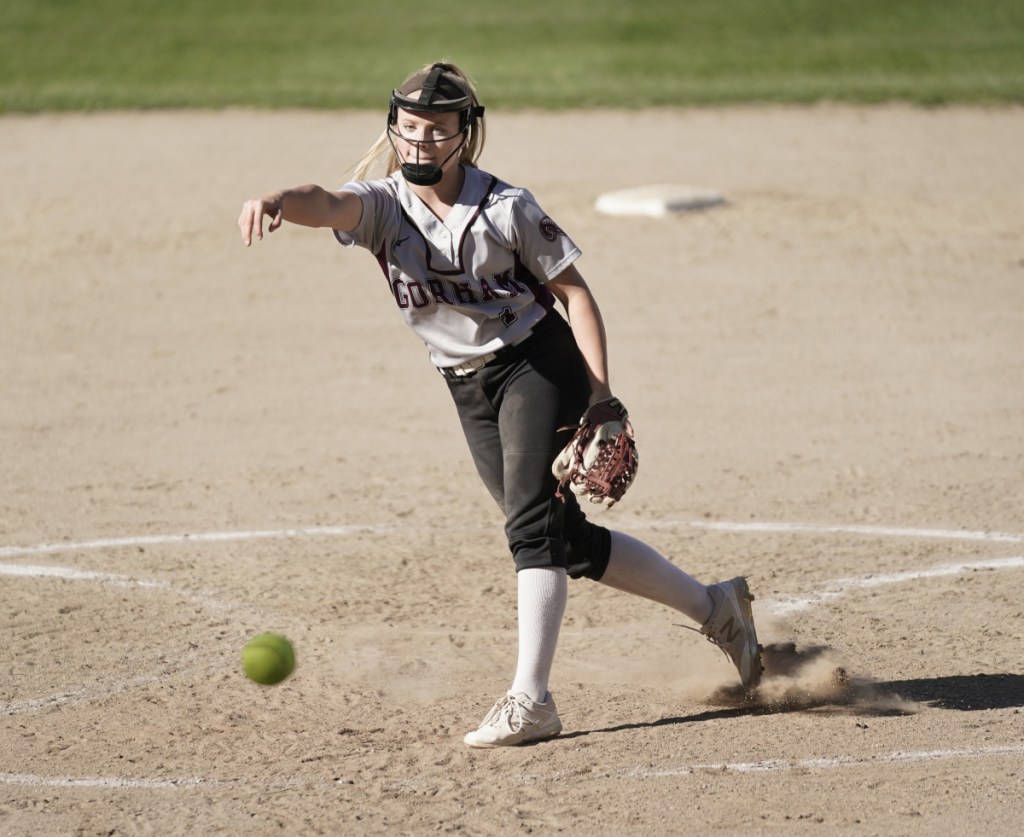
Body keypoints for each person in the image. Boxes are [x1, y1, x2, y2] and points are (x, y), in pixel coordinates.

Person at [238, 62, 763, 748]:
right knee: (563, 540)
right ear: (392, 125)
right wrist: (279, 197)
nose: (420, 142)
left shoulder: (505, 207)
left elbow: (574, 295)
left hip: (538, 364)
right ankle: (717, 607)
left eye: (437, 130)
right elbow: (328, 203)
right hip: (465, 384)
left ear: (465, 135)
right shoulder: (386, 206)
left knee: (529, 527)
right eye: (410, 127)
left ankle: (531, 700)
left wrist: (601, 394)